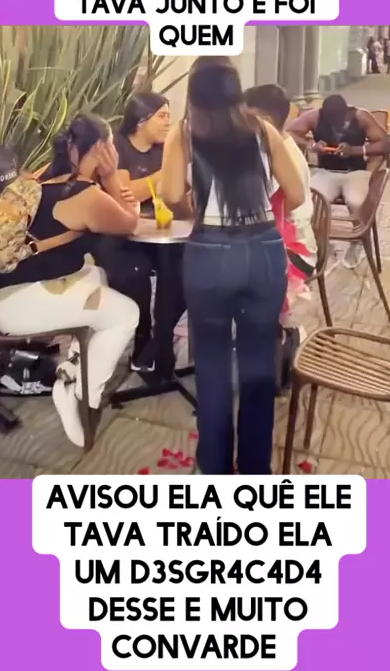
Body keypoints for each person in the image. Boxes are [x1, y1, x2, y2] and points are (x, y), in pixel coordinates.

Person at [161, 57, 305, 475]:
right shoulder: (263, 130)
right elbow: (296, 194)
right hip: (263, 251)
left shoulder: (183, 133)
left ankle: (216, 469)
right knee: (259, 365)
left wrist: (193, 208)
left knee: (212, 366)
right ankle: (256, 469)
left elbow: (170, 194)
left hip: (210, 254)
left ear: (194, 92)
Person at [0, 113, 141, 447]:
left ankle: (73, 369)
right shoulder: (85, 194)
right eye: (112, 145)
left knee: (95, 275)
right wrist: (111, 176)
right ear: (101, 148)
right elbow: (129, 223)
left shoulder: (43, 176)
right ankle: (81, 394)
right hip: (18, 305)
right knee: (126, 314)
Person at [100, 92, 185, 375]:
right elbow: (126, 195)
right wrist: (163, 174)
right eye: (162, 116)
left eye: (169, 116)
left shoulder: (165, 148)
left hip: (161, 233)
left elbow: (175, 191)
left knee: (181, 270)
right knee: (134, 274)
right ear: (141, 120)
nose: (168, 122)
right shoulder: (118, 146)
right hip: (121, 235)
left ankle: (160, 339)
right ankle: (142, 339)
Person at [244, 84, 316, 388]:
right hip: (281, 240)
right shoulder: (275, 144)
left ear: (264, 119)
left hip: (293, 250)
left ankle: (284, 342)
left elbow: (277, 207)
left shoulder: (275, 152)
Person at [289, 95, 390, 269]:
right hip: (326, 172)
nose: (335, 124)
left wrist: (356, 150)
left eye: (338, 120)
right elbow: (289, 133)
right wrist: (312, 145)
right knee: (310, 203)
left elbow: (387, 145)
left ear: (346, 113)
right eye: (330, 120)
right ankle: (323, 242)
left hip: (356, 172)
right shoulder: (315, 116)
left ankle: (357, 242)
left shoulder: (360, 116)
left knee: (357, 202)